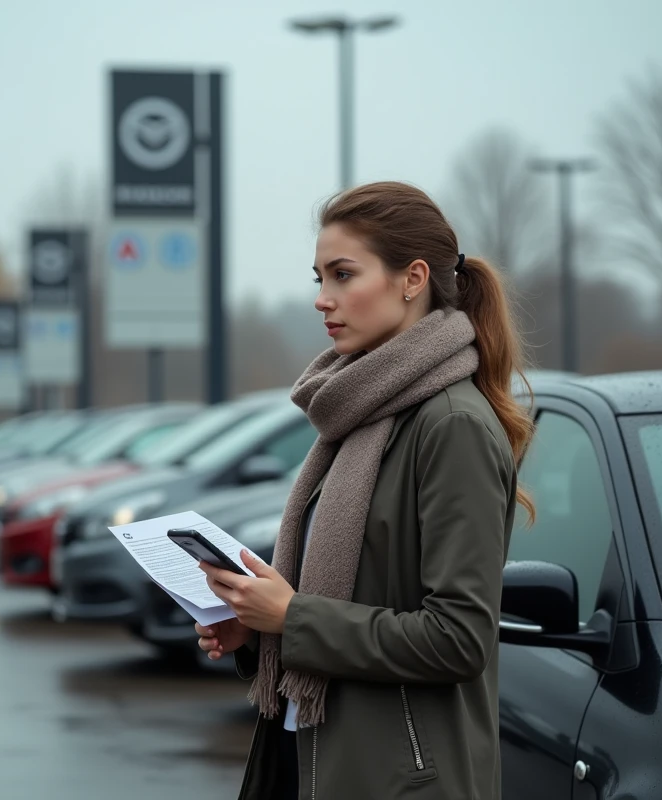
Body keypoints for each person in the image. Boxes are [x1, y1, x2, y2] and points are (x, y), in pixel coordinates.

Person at [195, 181, 535, 800]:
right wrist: (260, 629)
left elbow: (458, 639)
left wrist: (292, 616)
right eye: (319, 278)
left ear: (413, 279)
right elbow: (355, 597)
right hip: (315, 762)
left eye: (343, 275)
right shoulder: (359, 417)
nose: (323, 299)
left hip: (405, 781)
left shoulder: (450, 424)